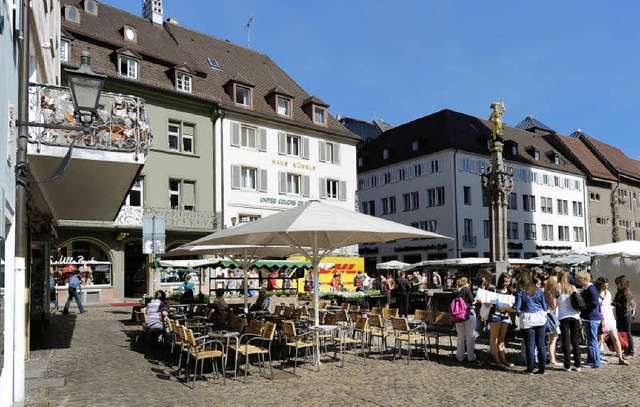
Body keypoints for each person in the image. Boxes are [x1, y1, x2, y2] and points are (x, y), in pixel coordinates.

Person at [514, 269, 547, 374]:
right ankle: (542, 369)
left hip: (528, 318)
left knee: (530, 345)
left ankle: (530, 368)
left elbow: (517, 307)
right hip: (540, 317)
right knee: (541, 345)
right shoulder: (538, 290)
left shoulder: (521, 291)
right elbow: (545, 306)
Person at [595, 277, 629, 366]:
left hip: (609, 317)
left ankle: (620, 358)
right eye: (604, 286)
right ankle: (597, 356)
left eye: (607, 285)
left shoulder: (608, 293)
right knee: (600, 338)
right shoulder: (596, 293)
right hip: (601, 317)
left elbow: (610, 305)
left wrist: (614, 317)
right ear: (600, 285)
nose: (606, 287)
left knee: (615, 337)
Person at [556, 270, 582, 372]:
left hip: (563, 316)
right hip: (575, 316)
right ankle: (577, 364)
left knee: (565, 341)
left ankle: (567, 365)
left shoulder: (557, 287)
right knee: (575, 341)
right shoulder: (573, 287)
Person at [487, 272, 513, 368]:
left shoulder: (509, 291)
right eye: (505, 281)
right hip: (495, 315)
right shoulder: (495, 290)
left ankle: (503, 359)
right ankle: (496, 359)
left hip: (505, 316)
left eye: (508, 281)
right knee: (494, 337)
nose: (507, 283)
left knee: (502, 338)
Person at [576, 270, 601, 368]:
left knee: (592, 341)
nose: (577, 281)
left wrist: (583, 306)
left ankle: (594, 362)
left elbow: (594, 303)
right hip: (590, 317)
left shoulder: (591, 288)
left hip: (591, 318)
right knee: (592, 341)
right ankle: (592, 361)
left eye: (579, 279)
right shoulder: (589, 288)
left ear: (584, 279)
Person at [454, 276, 476, 363]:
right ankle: (470, 356)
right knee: (470, 336)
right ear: (467, 282)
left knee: (460, 336)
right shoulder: (466, 289)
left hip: (458, 315)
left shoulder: (456, 291)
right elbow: (473, 301)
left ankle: (460, 356)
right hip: (468, 314)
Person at [614, 275, 635, 358]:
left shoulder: (627, 294)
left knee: (627, 333)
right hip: (620, 315)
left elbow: (625, 307)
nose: (617, 285)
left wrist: (615, 304)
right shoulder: (620, 292)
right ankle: (624, 349)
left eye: (618, 283)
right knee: (621, 333)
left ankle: (630, 350)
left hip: (626, 315)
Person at [544, 276, 562, 367]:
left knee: (553, 338)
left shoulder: (546, 291)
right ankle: (552, 358)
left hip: (551, 315)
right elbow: (553, 305)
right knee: (553, 338)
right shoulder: (550, 293)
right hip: (551, 315)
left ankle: (552, 357)